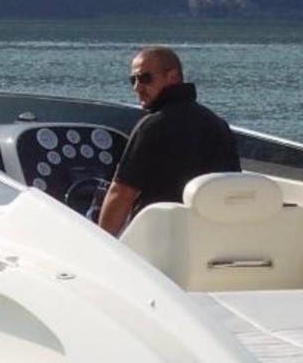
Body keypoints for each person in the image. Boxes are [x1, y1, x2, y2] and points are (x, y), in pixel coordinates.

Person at [97, 46, 240, 236]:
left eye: (145, 78)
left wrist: (101, 243)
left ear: (172, 77)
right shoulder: (218, 125)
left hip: (157, 239)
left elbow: (122, 194)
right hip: (209, 237)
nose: (137, 87)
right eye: (133, 80)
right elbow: (231, 188)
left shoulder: (152, 127)